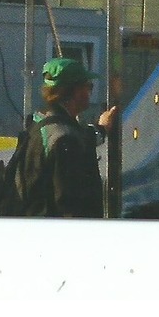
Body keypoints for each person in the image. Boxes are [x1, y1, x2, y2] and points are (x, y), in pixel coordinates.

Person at [17, 57, 119, 218]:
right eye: (88, 87)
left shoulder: (41, 125)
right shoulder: (63, 139)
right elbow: (69, 203)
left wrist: (101, 128)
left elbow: (80, 137)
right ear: (74, 92)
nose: (89, 93)